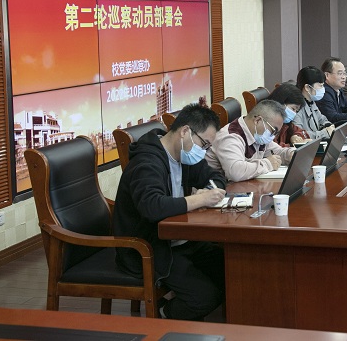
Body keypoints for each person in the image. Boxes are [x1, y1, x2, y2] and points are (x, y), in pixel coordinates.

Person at [113, 103, 227, 321]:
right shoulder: (146, 162)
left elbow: (215, 176)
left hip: (180, 240)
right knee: (204, 298)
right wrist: (199, 199)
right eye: (204, 144)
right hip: (150, 248)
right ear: (185, 131)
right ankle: (165, 315)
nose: (203, 152)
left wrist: (211, 189)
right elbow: (152, 206)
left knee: (233, 272)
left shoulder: (184, 154)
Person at [207, 99, 294, 182]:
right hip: (217, 188)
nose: (273, 136)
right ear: (257, 120)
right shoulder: (231, 136)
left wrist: (291, 154)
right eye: (273, 131)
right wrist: (268, 164)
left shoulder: (258, 134)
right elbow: (235, 172)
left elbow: (277, 152)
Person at [292, 66, 336, 140]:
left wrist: (329, 126)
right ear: (307, 87)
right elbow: (299, 134)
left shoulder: (311, 102)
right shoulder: (295, 107)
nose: (323, 89)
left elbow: (322, 119)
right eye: (320, 85)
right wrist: (324, 133)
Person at [317, 57, 347, 124]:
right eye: (340, 73)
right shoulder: (324, 93)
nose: (344, 77)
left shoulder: (339, 90)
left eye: (344, 73)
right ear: (327, 75)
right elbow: (333, 118)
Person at [267, 82, 309, 146]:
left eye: (296, 111)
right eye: (293, 109)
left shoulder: (285, 122)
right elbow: (273, 148)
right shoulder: (267, 122)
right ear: (281, 103)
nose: (294, 113)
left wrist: (295, 136)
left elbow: (302, 132)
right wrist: (292, 145)